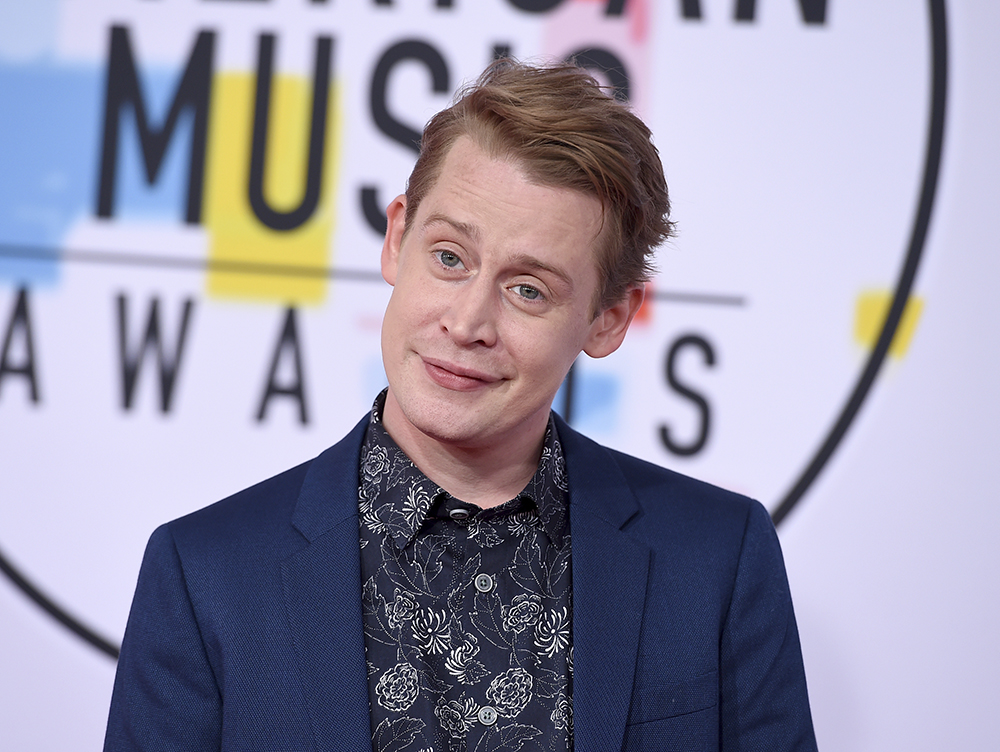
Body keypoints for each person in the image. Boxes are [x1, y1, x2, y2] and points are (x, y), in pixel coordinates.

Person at [104, 60, 817, 752]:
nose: (468, 322)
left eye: (528, 290)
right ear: (397, 238)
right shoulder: (205, 576)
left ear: (608, 320)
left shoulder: (717, 559)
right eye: (449, 257)